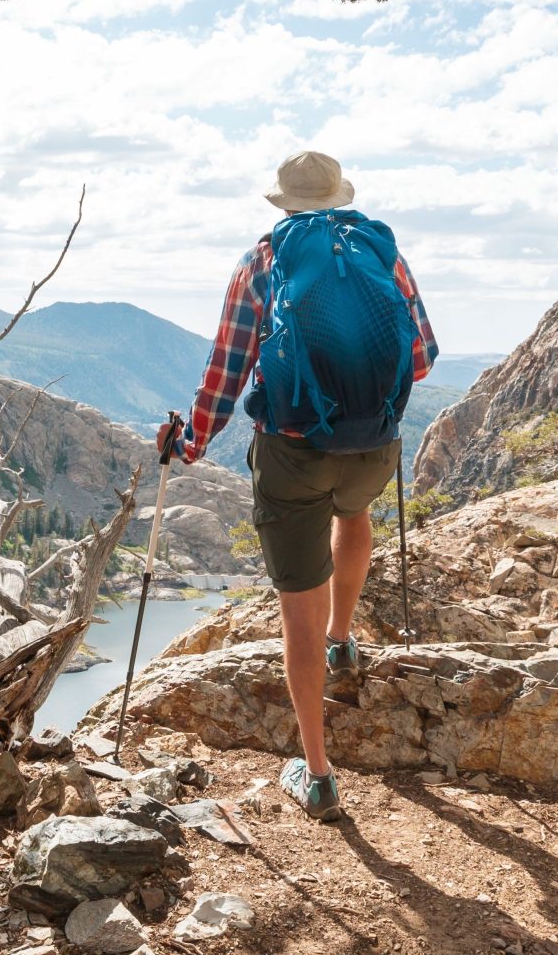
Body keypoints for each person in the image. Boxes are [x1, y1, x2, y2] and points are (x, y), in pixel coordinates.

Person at [157, 151, 437, 823]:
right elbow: (422, 357)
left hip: (294, 455)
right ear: (340, 196)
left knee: (296, 614)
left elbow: (224, 375)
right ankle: (346, 635)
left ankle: (317, 773)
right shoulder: (379, 250)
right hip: (374, 446)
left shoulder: (262, 262)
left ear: (281, 204)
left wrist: (187, 442)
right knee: (354, 512)